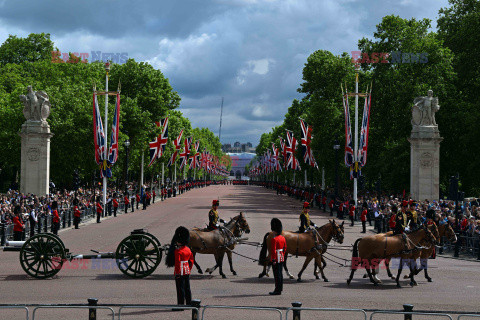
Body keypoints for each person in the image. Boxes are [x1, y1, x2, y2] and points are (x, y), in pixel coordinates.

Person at [166, 226, 194, 310]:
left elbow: (177, 264)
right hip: (187, 270)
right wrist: (189, 269)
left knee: (180, 289)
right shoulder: (188, 249)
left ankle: (180, 305)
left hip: (180, 272)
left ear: (179, 242)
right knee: (187, 288)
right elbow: (191, 260)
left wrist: (177, 273)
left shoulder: (178, 251)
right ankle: (189, 304)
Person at [269, 218, 286, 295]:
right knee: (280, 274)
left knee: (276, 275)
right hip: (281, 257)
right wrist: (282, 254)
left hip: (276, 258)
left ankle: (277, 290)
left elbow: (273, 250)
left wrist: (273, 260)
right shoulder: (283, 238)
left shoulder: (274, 239)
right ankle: (280, 288)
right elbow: (285, 248)